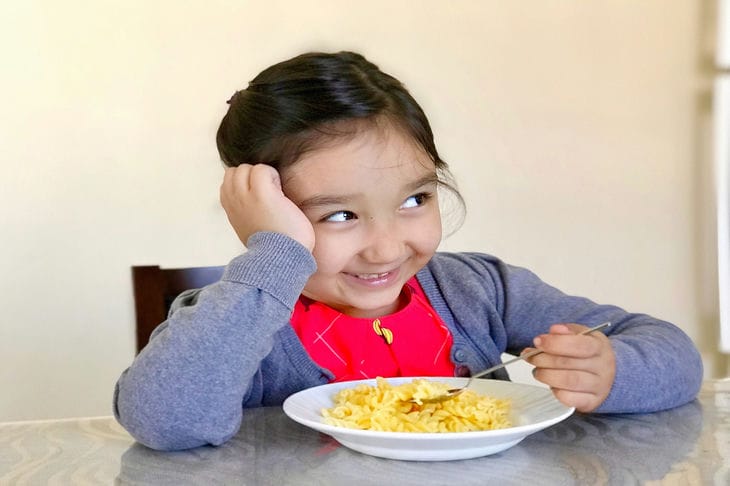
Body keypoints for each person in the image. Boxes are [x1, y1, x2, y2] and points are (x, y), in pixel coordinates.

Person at [114, 51, 703, 451]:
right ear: (269, 216)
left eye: (415, 199)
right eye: (339, 215)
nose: (388, 247)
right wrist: (272, 258)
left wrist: (611, 371)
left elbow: (672, 351)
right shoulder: (236, 318)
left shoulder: (478, 292)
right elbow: (164, 422)